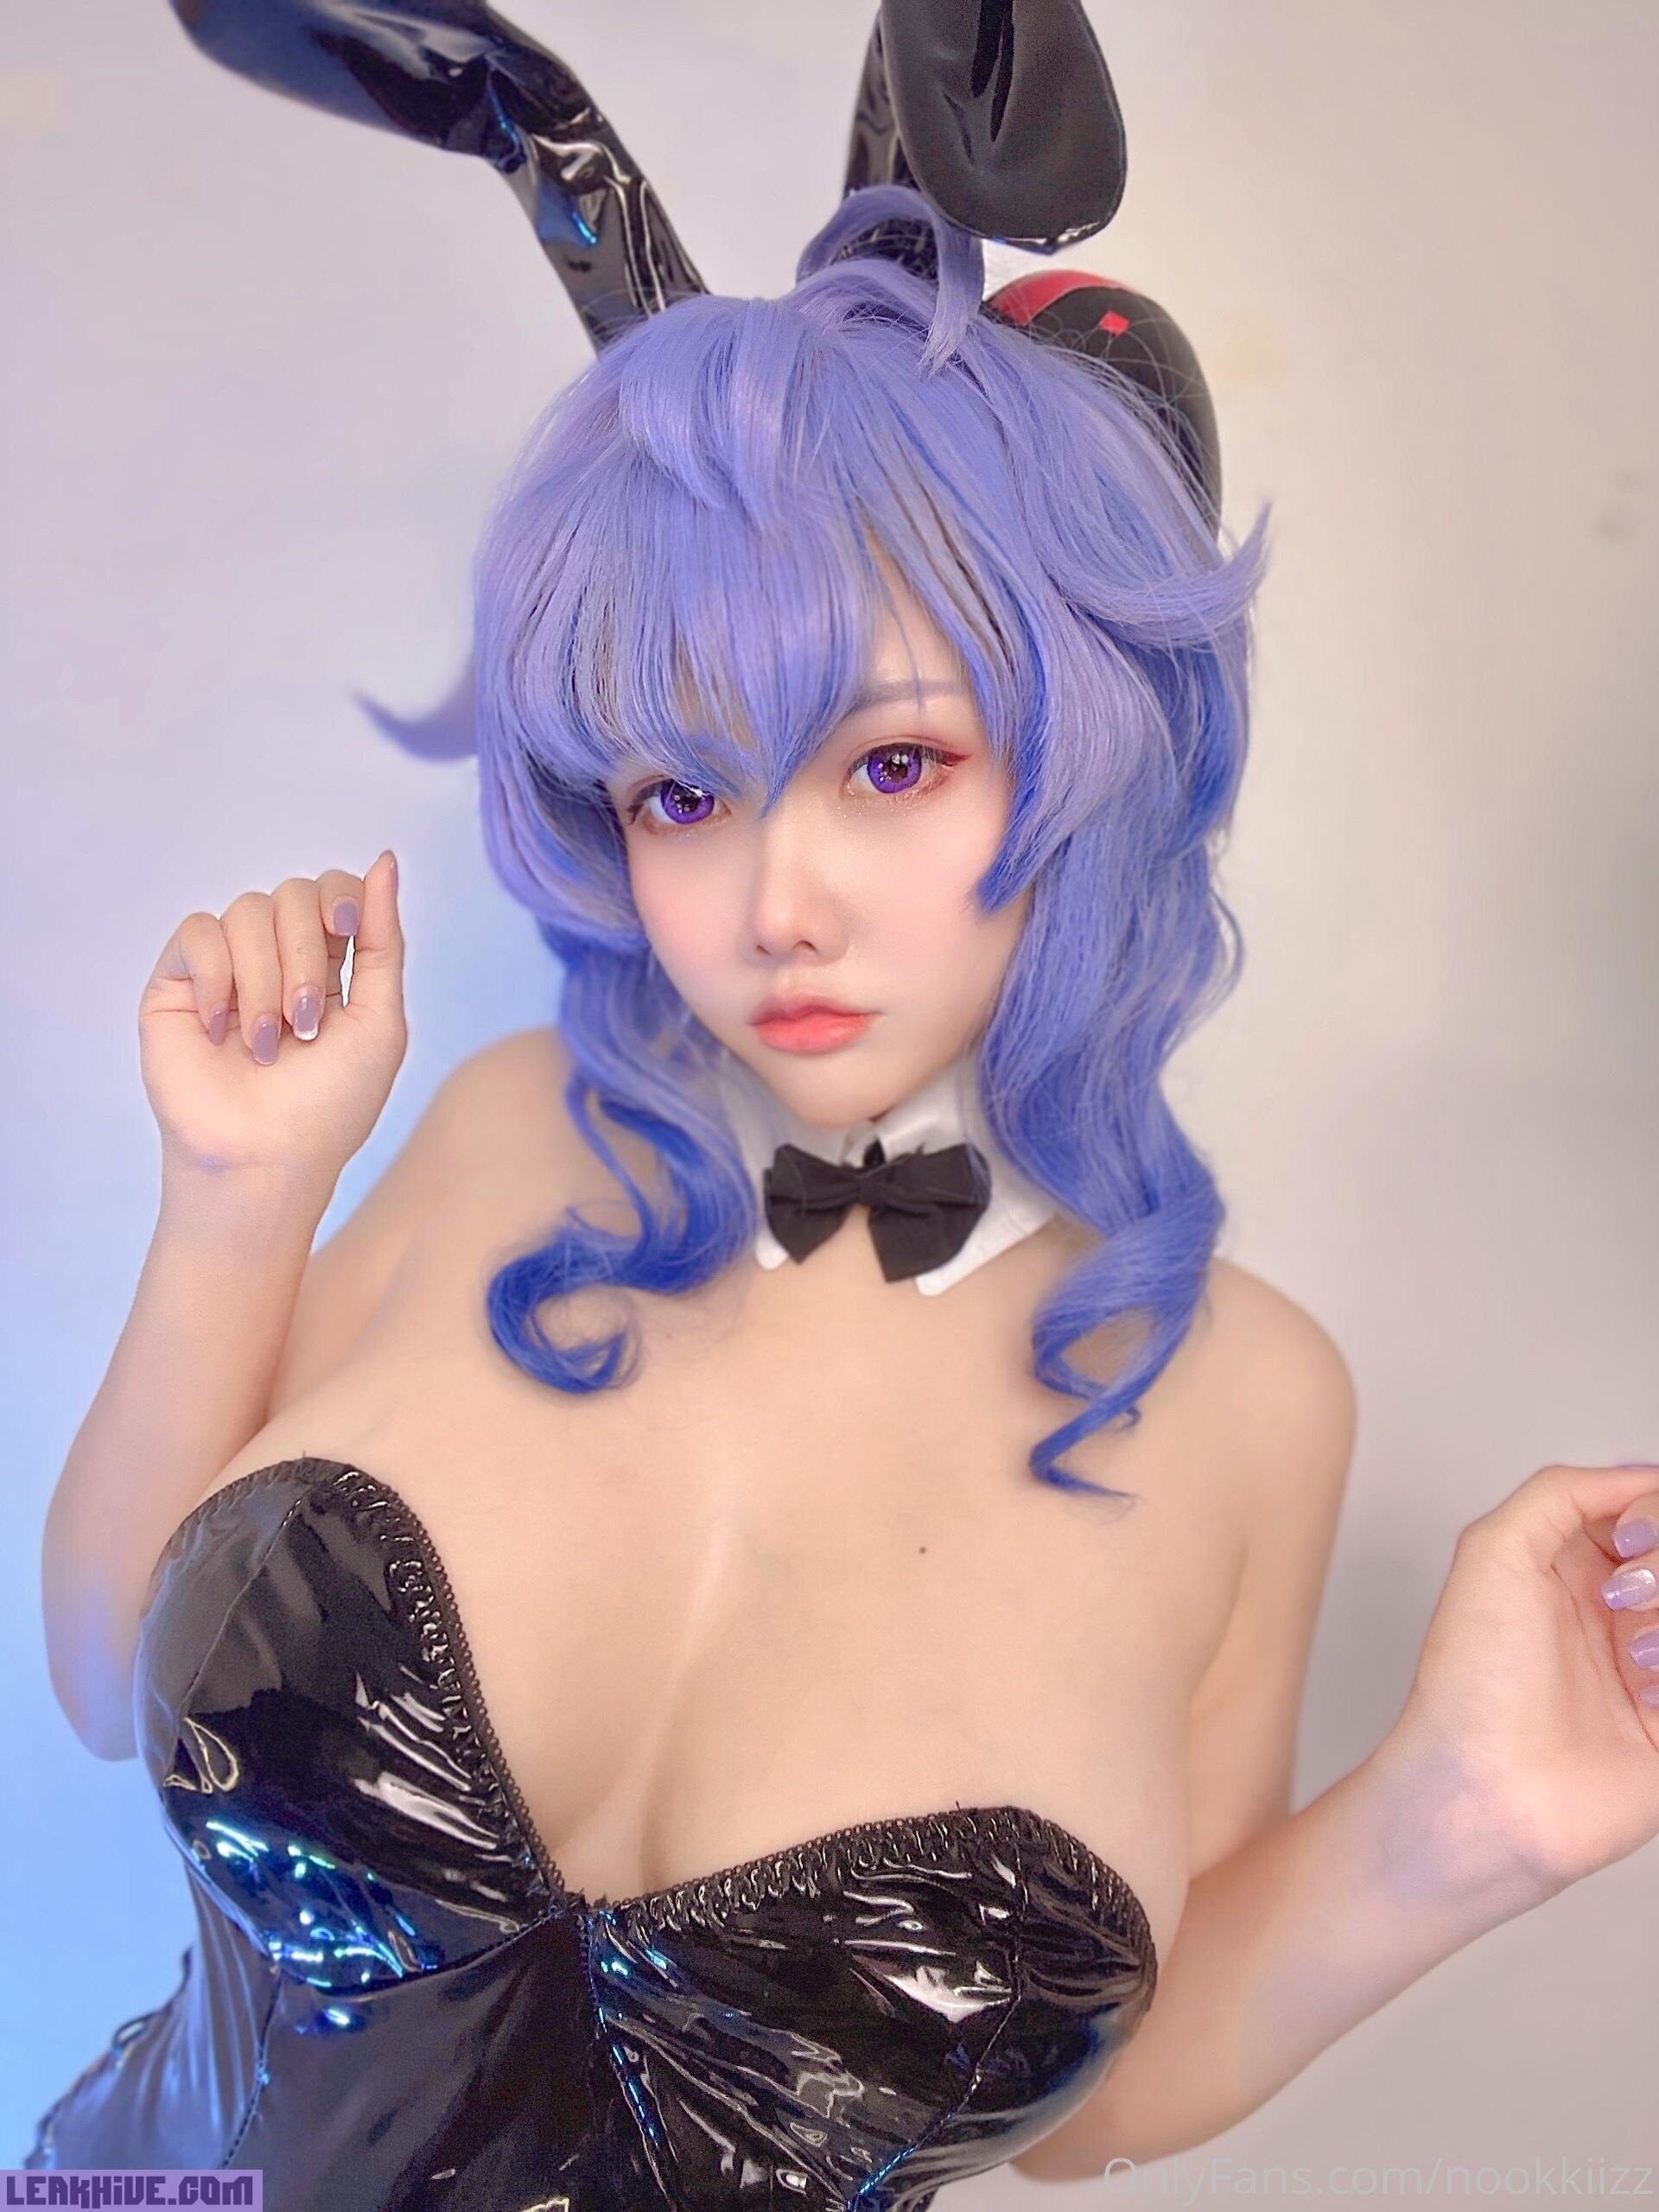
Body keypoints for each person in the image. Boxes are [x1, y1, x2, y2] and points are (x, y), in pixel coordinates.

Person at [28, 4, 1659, 2204]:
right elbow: (106, 1673)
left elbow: (1102, 2101)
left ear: (1089, 749)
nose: (773, 903)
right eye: (681, 789)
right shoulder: (504, 1130)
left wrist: (1461, 1820)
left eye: (892, 761)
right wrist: (235, 1197)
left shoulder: (1250, 1401)